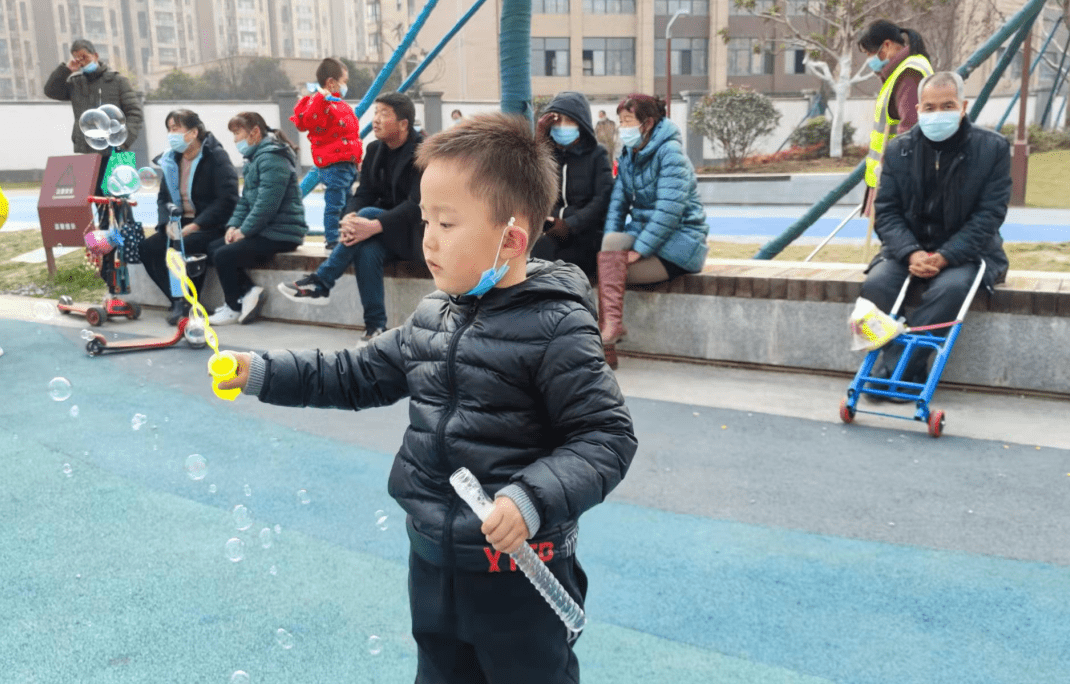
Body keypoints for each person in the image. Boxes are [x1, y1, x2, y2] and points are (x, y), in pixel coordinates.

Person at [217, 112, 637, 684]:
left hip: (519, 566)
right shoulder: (432, 315)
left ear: (511, 239)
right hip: (435, 557)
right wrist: (262, 371)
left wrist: (531, 498)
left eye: (446, 223)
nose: (428, 240)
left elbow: (606, 436)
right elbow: (355, 373)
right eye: (424, 220)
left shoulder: (556, 325)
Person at [861, 71, 1010, 401]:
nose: (937, 114)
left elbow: (989, 216)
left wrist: (945, 256)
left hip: (967, 254)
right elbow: (886, 212)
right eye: (929, 108)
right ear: (918, 109)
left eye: (947, 105)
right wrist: (911, 253)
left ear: (963, 107)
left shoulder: (993, 149)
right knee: (876, 285)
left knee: (950, 289)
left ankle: (891, 372)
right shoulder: (900, 149)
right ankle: (907, 371)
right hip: (908, 251)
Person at [277, 92, 424, 341]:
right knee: (365, 251)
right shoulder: (375, 149)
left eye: (384, 114)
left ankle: (321, 282)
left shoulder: (423, 153)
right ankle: (375, 327)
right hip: (382, 234)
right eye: (375, 112)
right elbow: (363, 193)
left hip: (412, 235)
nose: (375, 119)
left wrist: (374, 224)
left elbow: (416, 206)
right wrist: (349, 216)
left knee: (366, 215)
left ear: (403, 124)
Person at [598, 94, 709, 369]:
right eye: (621, 121)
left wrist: (640, 250)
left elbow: (669, 212)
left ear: (647, 123)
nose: (622, 127)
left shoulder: (670, 153)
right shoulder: (628, 155)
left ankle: (609, 336)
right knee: (609, 251)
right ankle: (611, 331)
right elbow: (617, 205)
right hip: (647, 236)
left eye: (627, 121)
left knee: (607, 274)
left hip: (681, 244)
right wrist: (607, 249)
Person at [207, 112, 308, 325]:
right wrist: (233, 226)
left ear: (254, 132)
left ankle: (233, 307)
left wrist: (244, 231)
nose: (235, 140)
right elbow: (245, 200)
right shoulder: (255, 158)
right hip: (266, 229)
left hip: (283, 232)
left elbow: (267, 205)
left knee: (224, 255)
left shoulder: (273, 157)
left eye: (238, 133)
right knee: (214, 247)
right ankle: (249, 291)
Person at [140, 109, 239, 325]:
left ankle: (183, 303)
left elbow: (228, 199)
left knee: (184, 246)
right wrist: (166, 223)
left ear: (193, 132)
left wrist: (196, 224)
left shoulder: (215, 157)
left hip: (210, 224)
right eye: (169, 129)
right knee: (147, 248)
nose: (171, 134)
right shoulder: (171, 160)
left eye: (176, 128)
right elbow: (163, 198)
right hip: (178, 222)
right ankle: (182, 301)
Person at [44, 38, 144, 228]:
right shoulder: (75, 83)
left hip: (116, 152)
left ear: (96, 56)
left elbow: (135, 113)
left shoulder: (117, 81)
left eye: (85, 57)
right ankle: (105, 249)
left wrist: (123, 140)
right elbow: (51, 91)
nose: (82, 61)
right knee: (99, 205)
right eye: (77, 58)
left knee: (121, 203)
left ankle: (130, 249)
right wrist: (66, 69)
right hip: (89, 154)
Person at [531, 91, 614, 278]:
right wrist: (540, 139)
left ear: (581, 124)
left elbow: (603, 198)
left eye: (569, 121)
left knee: (563, 267)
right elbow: (532, 186)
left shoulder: (597, 154)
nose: (562, 126)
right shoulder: (549, 154)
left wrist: (570, 224)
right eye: (557, 121)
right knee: (536, 258)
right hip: (553, 232)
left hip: (585, 233)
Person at [858, 20, 933, 216]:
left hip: (900, 178)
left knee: (899, 240)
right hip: (891, 175)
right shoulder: (900, 72)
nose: (870, 60)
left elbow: (910, 129)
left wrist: (893, 173)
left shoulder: (908, 74)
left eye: (869, 53)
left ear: (888, 45)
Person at [291, 57, 363, 250]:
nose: (345, 86)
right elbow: (308, 121)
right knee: (335, 203)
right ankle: (332, 238)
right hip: (334, 163)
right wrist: (320, 96)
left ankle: (343, 235)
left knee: (346, 203)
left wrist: (357, 159)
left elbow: (352, 135)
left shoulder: (340, 105)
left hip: (346, 163)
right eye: (344, 81)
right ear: (331, 82)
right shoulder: (321, 104)